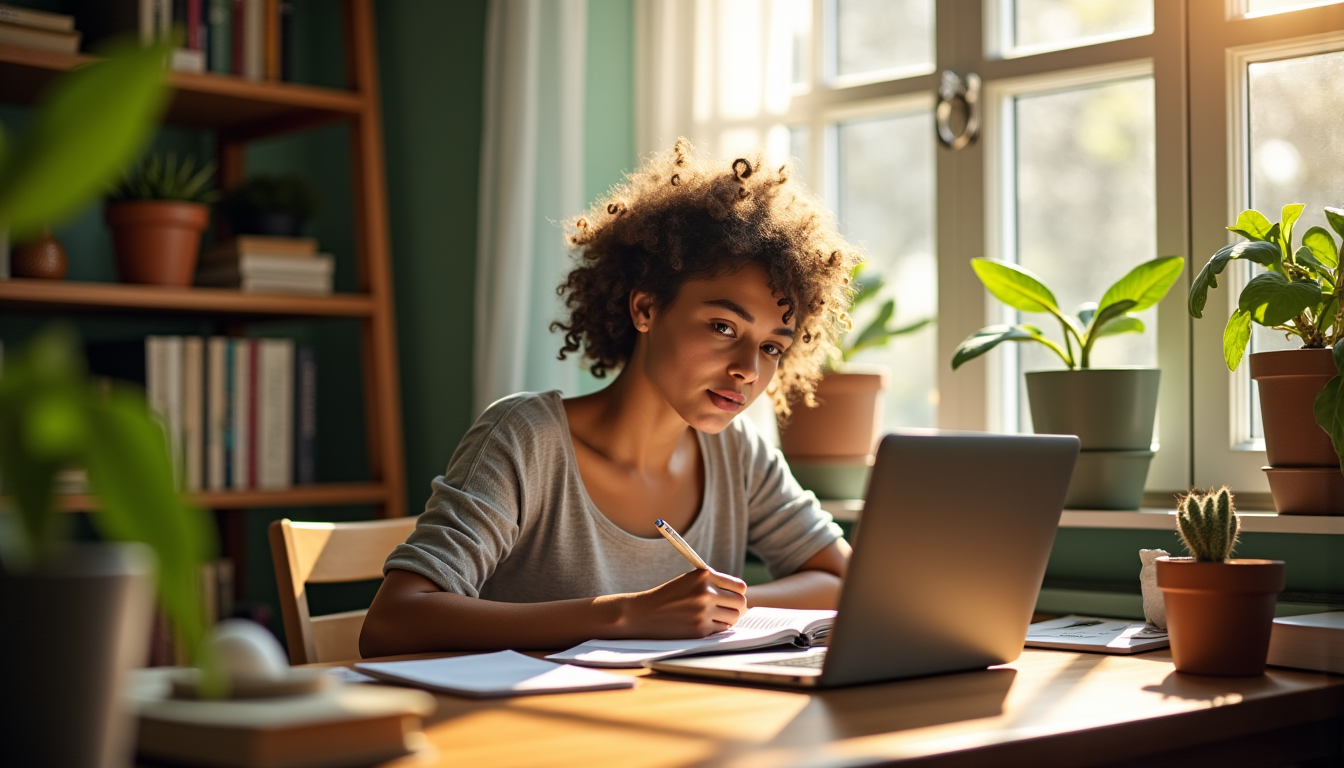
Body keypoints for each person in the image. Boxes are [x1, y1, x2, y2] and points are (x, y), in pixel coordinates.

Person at [359, 140, 862, 656]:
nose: (748, 370)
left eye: (773, 347)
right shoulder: (525, 439)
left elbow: (840, 579)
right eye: (721, 326)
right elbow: (392, 622)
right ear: (645, 309)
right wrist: (628, 614)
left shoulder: (738, 456)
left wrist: (720, 607)